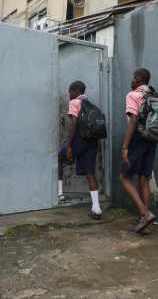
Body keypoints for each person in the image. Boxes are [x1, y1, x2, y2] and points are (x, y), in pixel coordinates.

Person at [58, 81, 102, 219]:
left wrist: (69, 144)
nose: (69, 94)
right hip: (93, 143)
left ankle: (60, 193)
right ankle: (96, 208)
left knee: (59, 157)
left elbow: (73, 123)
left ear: (76, 91)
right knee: (90, 173)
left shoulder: (75, 103)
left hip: (79, 141)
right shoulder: (91, 105)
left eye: (70, 91)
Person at [120, 68, 157, 234]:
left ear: (137, 79)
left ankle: (145, 213)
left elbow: (133, 120)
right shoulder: (153, 95)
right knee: (144, 178)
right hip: (152, 139)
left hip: (138, 138)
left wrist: (125, 146)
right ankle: (144, 220)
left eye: (132, 77)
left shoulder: (133, 95)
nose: (131, 80)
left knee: (125, 177)